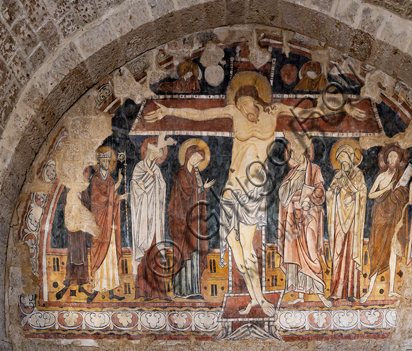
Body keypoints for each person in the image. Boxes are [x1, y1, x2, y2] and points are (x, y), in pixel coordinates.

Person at [145, 71, 366, 316]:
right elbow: (201, 114)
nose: (244, 109)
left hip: (253, 191)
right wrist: (168, 111)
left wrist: (343, 106)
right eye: (239, 105)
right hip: (231, 190)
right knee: (232, 242)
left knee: (247, 249)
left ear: (256, 99)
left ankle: (259, 298)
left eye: (246, 104)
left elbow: (308, 113)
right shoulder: (234, 112)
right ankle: (256, 296)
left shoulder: (274, 112)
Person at [277, 132, 331, 307]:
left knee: (311, 251)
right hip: (293, 216)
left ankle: (320, 291)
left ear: (305, 151)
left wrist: (310, 196)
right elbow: (283, 197)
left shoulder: (314, 169)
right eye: (293, 151)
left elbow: (321, 192)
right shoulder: (291, 173)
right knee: (295, 255)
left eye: (298, 149)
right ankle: (300, 293)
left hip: (309, 216)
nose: (295, 153)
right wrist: (290, 189)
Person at [360, 144, 409, 303]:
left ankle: (392, 290)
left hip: (394, 217)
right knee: (377, 251)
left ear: (399, 159)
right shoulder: (381, 177)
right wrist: (386, 189)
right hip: (380, 216)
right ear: (386, 159)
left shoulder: (401, 177)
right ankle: (369, 290)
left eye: (396, 157)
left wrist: (399, 192)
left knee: (393, 251)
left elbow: (405, 196)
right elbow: (371, 194)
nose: (393, 159)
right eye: (391, 157)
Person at [130, 134, 176, 300]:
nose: (157, 156)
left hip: (155, 218)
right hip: (143, 217)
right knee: (146, 253)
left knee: (156, 253)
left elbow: (162, 188)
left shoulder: (156, 170)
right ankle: (144, 292)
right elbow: (136, 189)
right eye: (155, 153)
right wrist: (149, 178)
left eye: (159, 154)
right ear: (149, 152)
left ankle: (159, 292)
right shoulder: (139, 168)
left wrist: (155, 179)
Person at [168, 139, 215, 299]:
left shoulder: (197, 175)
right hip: (182, 222)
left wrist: (203, 189)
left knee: (195, 252)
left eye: (199, 160)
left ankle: (193, 290)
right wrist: (202, 188)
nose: (197, 161)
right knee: (183, 253)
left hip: (195, 222)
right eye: (195, 157)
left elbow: (198, 196)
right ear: (188, 155)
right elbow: (186, 193)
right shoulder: (181, 173)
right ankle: (181, 291)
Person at [326, 139, 366, 302]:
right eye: (340, 160)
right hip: (338, 220)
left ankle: (352, 291)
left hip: (353, 221)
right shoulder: (337, 176)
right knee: (338, 254)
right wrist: (335, 192)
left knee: (350, 253)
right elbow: (329, 194)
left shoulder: (358, 174)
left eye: (345, 159)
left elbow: (362, 193)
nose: (343, 163)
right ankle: (336, 291)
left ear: (351, 158)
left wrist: (351, 190)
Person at [88, 146, 127, 303]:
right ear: (98, 162)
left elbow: (112, 198)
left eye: (107, 160)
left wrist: (120, 197)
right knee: (100, 251)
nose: (105, 163)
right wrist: (119, 183)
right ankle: (97, 288)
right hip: (100, 223)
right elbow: (99, 200)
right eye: (103, 160)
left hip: (110, 224)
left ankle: (111, 289)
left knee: (110, 253)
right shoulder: (96, 180)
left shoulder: (110, 180)